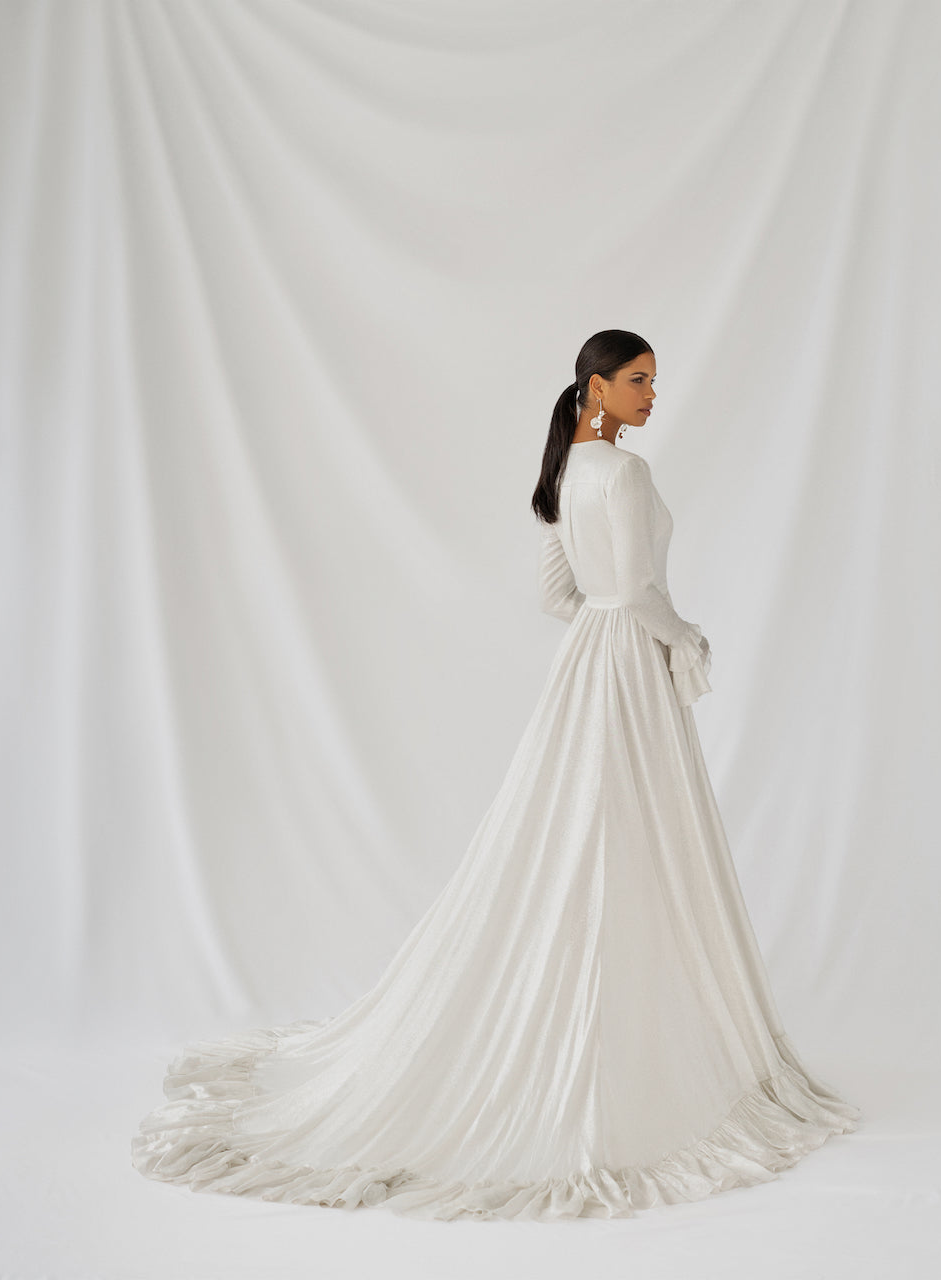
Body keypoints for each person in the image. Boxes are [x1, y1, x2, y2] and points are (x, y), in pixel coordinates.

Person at [132, 329, 859, 1222]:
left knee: (583, 828)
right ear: (595, 387)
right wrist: (684, 637)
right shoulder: (623, 474)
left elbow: (559, 594)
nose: (651, 395)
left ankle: (608, 1018)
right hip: (629, 663)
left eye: (653, 381)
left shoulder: (568, 471)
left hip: (591, 661)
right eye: (638, 380)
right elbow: (636, 590)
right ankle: (628, 1040)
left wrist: (606, 628)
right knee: (636, 830)